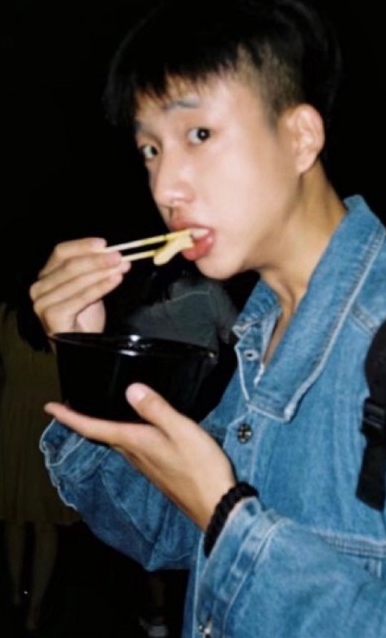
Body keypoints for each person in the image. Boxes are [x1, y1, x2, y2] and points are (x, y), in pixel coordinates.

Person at [29, 0, 386, 636]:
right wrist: (86, 358)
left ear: (300, 137)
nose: (166, 186)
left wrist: (229, 518)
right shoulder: (265, 325)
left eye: (199, 133)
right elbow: (166, 533)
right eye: (151, 149)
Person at [110, 259, 239, 637]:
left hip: (151, 405)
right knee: (210, 502)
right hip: (203, 405)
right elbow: (237, 336)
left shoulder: (137, 296)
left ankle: (158, 614)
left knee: (158, 502)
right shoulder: (206, 291)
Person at [0, 275, 80, 635]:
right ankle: (34, 608)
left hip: (13, 420)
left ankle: (16, 594)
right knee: (46, 522)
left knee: (15, 515)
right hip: (53, 424)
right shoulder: (68, 315)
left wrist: (9, 387)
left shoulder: (8, 315)